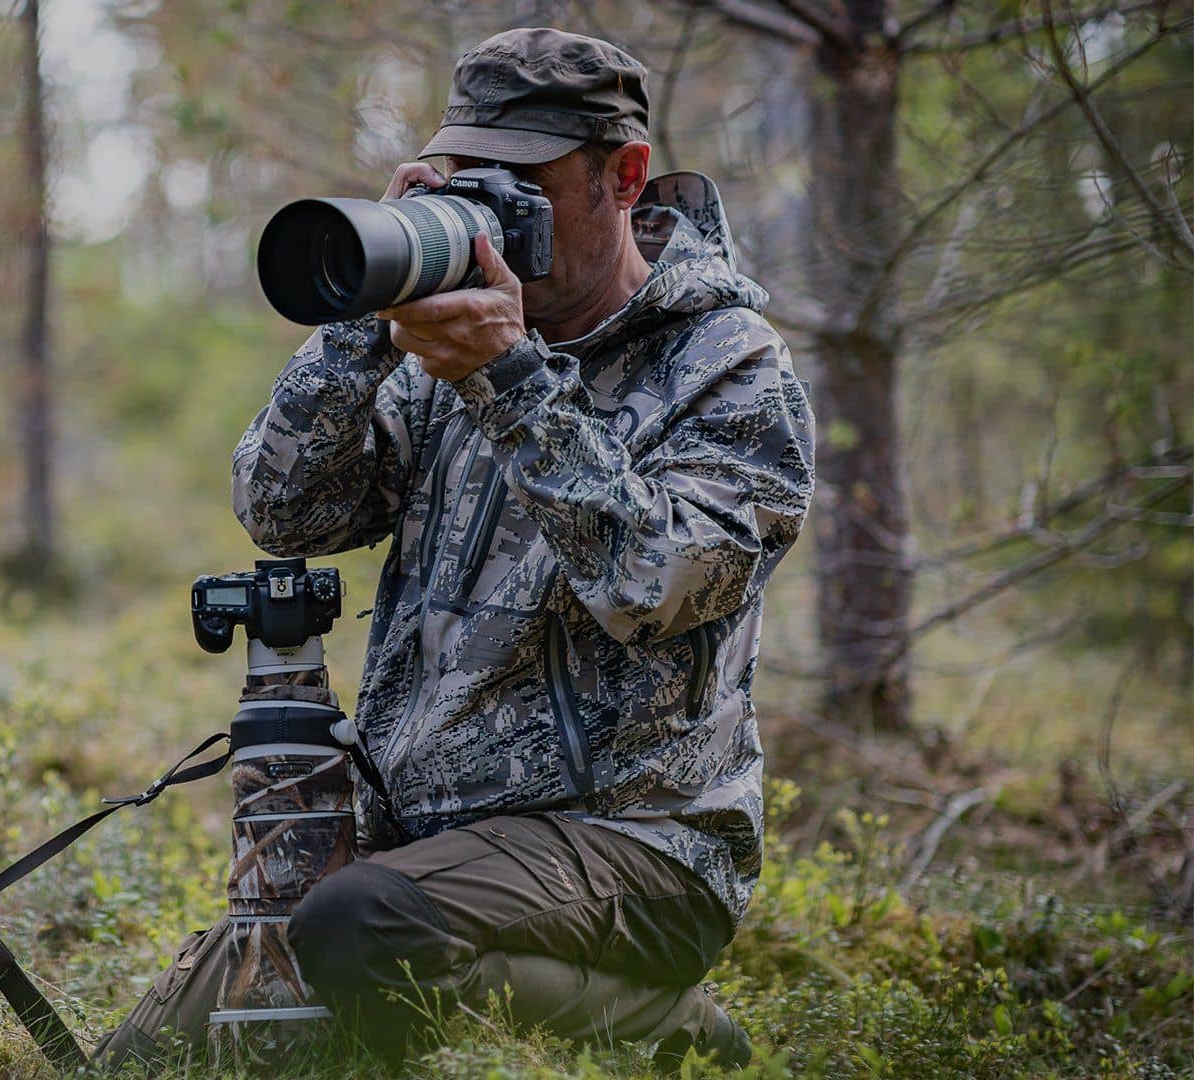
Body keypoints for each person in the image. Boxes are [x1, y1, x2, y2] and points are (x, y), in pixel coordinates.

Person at [99, 25, 814, 1070]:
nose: (488, 210)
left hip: (638, 844)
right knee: (162, 1044)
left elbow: (648, 584)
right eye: (467, 179)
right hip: (424, 847)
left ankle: (667, 1027)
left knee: (352, 931)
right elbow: (284, 507)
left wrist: (512, 377)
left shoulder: (729, 370)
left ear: (623, 176)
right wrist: (366, 324)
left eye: (522, 182)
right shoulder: (445, 348)